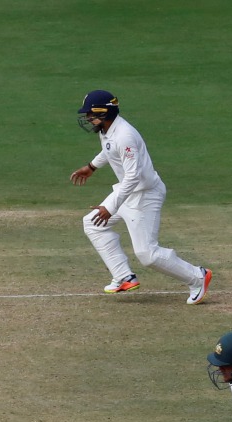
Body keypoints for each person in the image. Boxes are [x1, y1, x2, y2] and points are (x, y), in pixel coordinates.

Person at [70, 90, 212, 303]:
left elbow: (133, 176)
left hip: (145, 195)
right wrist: (92, 167)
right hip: (127, 192)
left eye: (91, 114)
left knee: (148, 254)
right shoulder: (107, 129)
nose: (89, 119)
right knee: (92, 224)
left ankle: (198, 276)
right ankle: (124, 276)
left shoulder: (125, 135)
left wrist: (111, 207)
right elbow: (110, 150)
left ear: (105, 112)